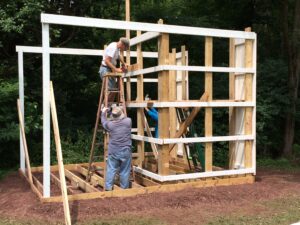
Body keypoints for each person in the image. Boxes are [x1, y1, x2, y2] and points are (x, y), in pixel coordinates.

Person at [101, 105, 132, 190]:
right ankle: (124, 189)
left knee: (111, 170)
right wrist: (116, 109)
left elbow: (103, 122)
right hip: (126, 151)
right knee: (124, 171)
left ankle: (108, 188)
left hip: (114, 151)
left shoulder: (110, 125)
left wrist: (103, 112)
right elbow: (122, 116)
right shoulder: (128, 121)